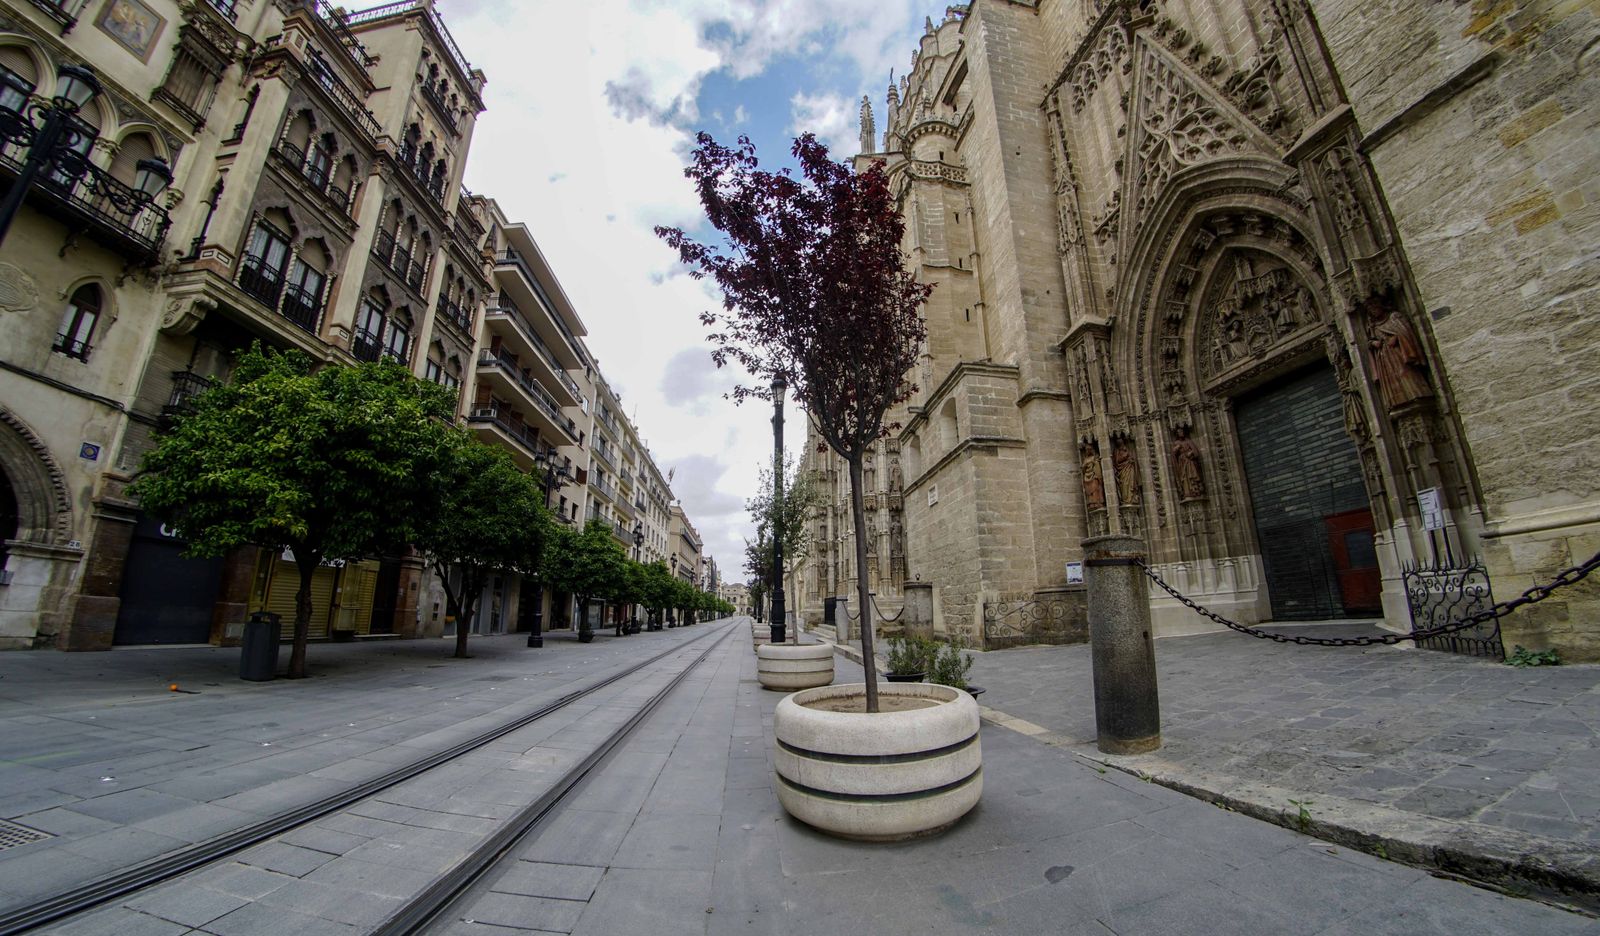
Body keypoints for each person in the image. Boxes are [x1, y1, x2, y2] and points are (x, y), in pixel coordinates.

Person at [1365, 294, 1433, 411]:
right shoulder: (1373, 326)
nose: (1373, 311)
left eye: (1375, 308)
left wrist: (1396, 338)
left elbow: (1406, 331)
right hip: (1385, 359)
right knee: (1393, 384)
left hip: (1399, 355)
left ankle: (1418, 395)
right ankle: (1396, 403)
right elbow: (1370, 341)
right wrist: (1373, 344)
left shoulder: (1394, 317)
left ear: (1381, 306)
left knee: (1407, 375)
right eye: (1370, 310)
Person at [1171, 427, 1204, 501]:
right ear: (1177, 434)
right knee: (1185, 477)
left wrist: (1191, 452)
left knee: (1193, 475)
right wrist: (1177, 448)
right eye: (1179, 432)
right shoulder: (1176, 443)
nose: (1181, 433)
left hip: (1190, 461)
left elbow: (1195, 451)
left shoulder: (1188, 441)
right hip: (1182, 463)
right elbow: (1173, 454)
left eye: (1182, 431)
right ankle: (1187, 492)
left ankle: (1196, 491)